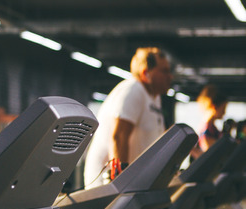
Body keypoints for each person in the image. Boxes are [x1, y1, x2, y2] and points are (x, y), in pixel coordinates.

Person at [83, 47, 173, 188]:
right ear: (145, 73)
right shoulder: (133, 90)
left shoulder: (155, 98)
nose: (170, 77)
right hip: (107, 184)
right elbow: (119, 136)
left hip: (137, 183)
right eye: (164, 71)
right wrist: (121, 182)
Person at [189, 84, 229, 160]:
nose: (224, 112)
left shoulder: (211, 127)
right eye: (223, 108)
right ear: (214, 107)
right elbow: (212, 155)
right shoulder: (207, 129)